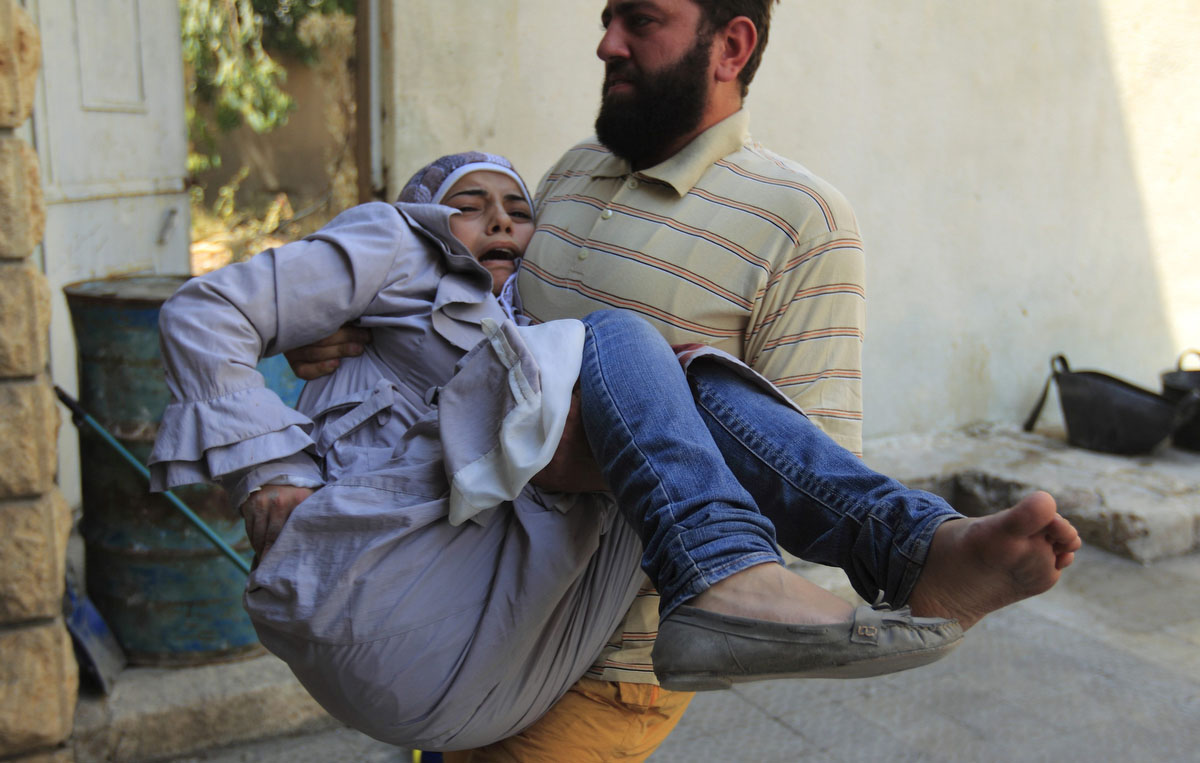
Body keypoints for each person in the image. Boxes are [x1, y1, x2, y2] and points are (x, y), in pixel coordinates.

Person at [283, 1, 1083, 759]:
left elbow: (799, 460)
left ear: (730, 47)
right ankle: (914, 545)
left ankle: (911, 548)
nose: (606, 43)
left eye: (641, 20)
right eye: (607, 19)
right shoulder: (566, 178)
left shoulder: (801, 221)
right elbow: (486, 323)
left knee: (669, 370)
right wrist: (351, 333)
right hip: (467, 587)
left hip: (607, 654)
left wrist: (557, 448)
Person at [149, 153, 973, 751]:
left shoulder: (526, 325)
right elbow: (202, 315)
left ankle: (909, 544)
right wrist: (270, 468)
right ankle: (800, 559)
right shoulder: (395, 245)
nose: (503, 217)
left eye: (517, 204)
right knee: (622, 340)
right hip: (389, 593)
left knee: (672, 374)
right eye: (469, 203)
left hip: (498, 667)